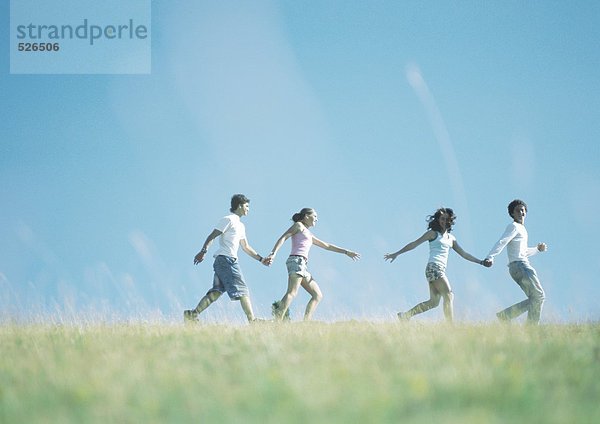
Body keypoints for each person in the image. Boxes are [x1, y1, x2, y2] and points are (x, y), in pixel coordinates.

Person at [384, 208, 488, 322]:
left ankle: (405, 316)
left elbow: (464, 254)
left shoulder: (451, 239)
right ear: (438, 220)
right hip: (434, 267)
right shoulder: (433, 234)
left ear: (451, 221)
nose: (444, 221)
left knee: (434, 302)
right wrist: (396, 253)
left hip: (438, 269)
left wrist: (481, 262)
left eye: (447, 219)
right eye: (442, 219)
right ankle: (451, 326)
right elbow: (414, 244)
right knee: (449, 295)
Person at [184, 194, 268, 323]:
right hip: (227, 260)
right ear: (239, 206)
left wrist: (261, 259)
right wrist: (203, 251)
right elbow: (212, 235)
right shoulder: (228, 219)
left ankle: (192, 315)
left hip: (224, 262)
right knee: (243, 289)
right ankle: (253, 321)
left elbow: (245, 246)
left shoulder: (241, 226)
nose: (248, 209)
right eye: (246, 206)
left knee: (216, 292)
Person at [264, 208, 360, 321]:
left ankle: (306, 322)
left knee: (317, 295)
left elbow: (326, 245)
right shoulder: (299, 226)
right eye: (314, 216)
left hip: (302, 265)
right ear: (306, 216)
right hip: (296, 261)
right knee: (292, 293)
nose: (316, 219)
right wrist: (273, 253)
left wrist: (346, 252)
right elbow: (283, 237)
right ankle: (277, 320)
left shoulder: (308, 233)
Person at [484, 199, 547, 324]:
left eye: (522, 210)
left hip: (517, 267)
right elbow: (502, 241)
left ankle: (507, 316)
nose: (521, 213)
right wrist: (490, 256)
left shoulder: (522, 229)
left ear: (526, 212)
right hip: (521, 266)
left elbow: (522, 252)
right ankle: (526, 326)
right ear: (512, 214)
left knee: (535, 298)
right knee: (539, 296)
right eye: (517, 210)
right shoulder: (514, 226)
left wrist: (537, 250)